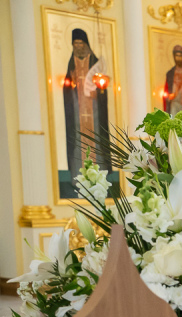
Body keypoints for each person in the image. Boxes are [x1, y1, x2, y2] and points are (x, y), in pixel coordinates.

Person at [62, 28, 110, 196]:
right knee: (78, 141)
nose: (78, 47)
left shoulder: (94, 62)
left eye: (81, 43)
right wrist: (71, 85)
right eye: (75, 44)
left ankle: (100, 178)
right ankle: (79, 178)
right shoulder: (71, 64)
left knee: (96, 139)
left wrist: (99, 90)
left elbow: (103, 86)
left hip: (94, 110)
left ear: (86, 44)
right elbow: (66, 88)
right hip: (77, 111)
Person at [163, 44, 182, 114]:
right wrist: (169, 97)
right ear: (174, 57)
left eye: (180, 56)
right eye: (177, 56)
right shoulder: (170, 74)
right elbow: (166, 93)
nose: (179, 58)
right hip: (174, 103)